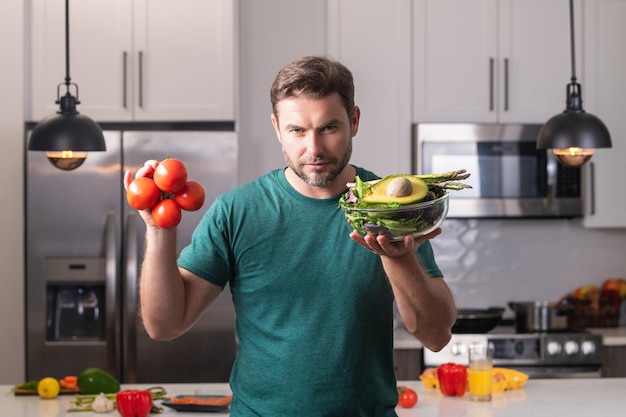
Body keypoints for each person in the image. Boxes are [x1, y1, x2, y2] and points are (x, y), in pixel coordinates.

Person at [124, 55, 457, 416]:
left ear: (354, 121)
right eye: (297, 130)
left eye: (329, 128)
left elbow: (436, 336)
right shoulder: (237, 211)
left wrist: (399, 257)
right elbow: (163, 325)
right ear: (277, 127)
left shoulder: (391, 209)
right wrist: (158, 230)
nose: (313, 148)